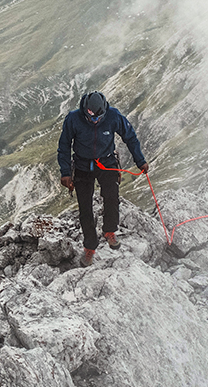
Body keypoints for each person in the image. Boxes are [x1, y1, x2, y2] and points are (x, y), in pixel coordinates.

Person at [57, 88, 148, 265]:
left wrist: (140, 160)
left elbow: (130, 136)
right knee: (85, 207)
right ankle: (90, 247)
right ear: (86, 111)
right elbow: (64, 145)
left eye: (98, 118)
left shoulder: (113, 115)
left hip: (106, 162)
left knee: (112, 197)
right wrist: (66, 172)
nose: (95, 121)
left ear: (104, 111)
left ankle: (110, 231)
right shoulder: (73, 118)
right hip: (82, 166)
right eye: (91, 118)